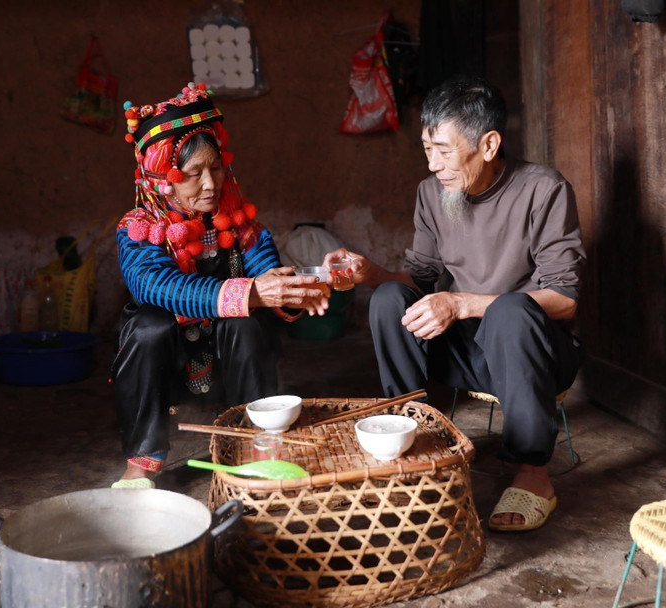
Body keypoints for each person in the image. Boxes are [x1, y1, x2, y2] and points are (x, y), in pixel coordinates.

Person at [323, 76, 585, 531]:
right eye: (427, 149)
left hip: (533, 354)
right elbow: (420, 281)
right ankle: (412, 444)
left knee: (510, 310)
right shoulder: (433, 193)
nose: (433, 164)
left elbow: (564, 300)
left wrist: (462, 302)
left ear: (488, 144)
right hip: (468, 352)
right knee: (388, 299)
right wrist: (371, 274)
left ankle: (533, 475)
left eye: (443, 150)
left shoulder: (544, 189)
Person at [111, 83, 329, 489]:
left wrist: (299, 288)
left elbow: (267, 280)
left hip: (229, 362)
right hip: (168, 363)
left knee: (248, 321)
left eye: (216, 168)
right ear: (163, 181)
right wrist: (247, 293)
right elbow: (152, 285)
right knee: (148, 325)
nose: (210, 183)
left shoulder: (242, 225)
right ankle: (140, 463)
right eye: (193, 174)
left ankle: (254, 443)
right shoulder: (140, 229)